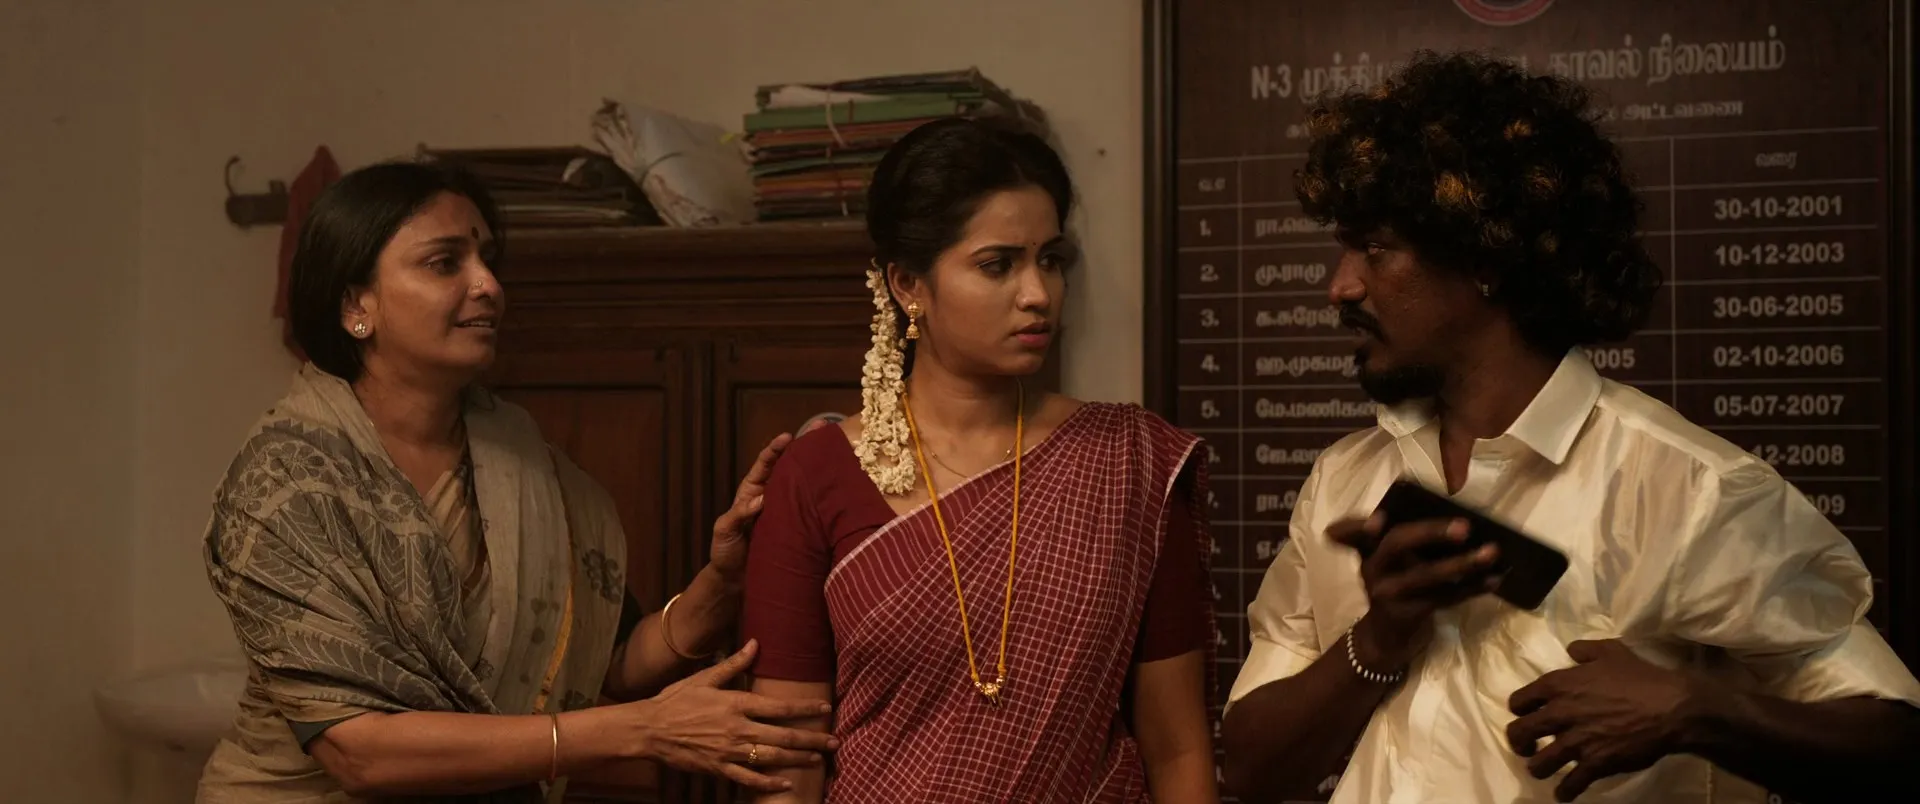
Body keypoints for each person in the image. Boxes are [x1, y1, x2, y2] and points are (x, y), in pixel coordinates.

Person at [1220, 51, 1920, 804]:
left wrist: (1699, 712)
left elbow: (1896, 742)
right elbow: (1252, 770)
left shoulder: (1691, 490)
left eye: (1375, 248)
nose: (1340, 286)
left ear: (1485, 253)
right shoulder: (1343, 479)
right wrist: (1380, 637)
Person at [197, 161, 839, 803]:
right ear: (355, 305)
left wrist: (723, 583)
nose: (489, 285)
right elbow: (358, 750)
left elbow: (613, 662)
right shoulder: (287, 483)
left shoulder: (525, 466)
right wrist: (643, 730)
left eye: (488, 259)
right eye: (444, 263)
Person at [736, 117, 1220, 803]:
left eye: (1051, 260)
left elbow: (1178, 748)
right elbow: (788, 764)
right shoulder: (817, 475)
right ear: (908, 284)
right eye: (998, 265)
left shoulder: (1130, 461)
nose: (1038, 293)